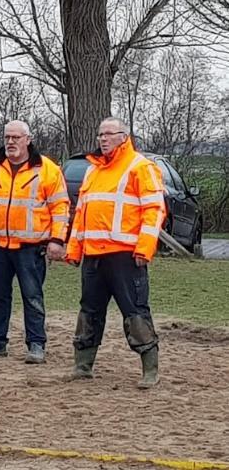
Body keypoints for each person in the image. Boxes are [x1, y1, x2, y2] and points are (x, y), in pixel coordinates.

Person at [65, 117, 166, 389]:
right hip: (93, 256)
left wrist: (144, 249)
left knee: (135, 312)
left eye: (109, 134)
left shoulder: (141, 167)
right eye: (100, 134)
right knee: (89, 311)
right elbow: (81, 214)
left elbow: (154, 210)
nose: (103, 139)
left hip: (126, 256)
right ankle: (82, 365)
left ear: (124, 136)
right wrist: (74, 250)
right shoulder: (92, 170)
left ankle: (150, 369)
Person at [0, 120, 69, 363]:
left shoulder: (48, 169)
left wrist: (57, 240)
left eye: (16, 137)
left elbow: (61, 207)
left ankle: (36, 345)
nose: (11, 142)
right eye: (7, 137)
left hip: (31, 248)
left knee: (32, 297)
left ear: (28, 139)